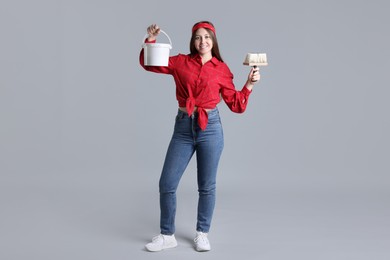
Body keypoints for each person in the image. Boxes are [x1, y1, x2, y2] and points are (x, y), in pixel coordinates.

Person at [139, 21, 261, 252]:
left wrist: (249, 85)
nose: (202, 41)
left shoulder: (221, 69)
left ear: (213, 41)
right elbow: (150, 63)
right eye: (198, 37)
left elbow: (236, 104)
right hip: (183, 127)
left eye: (207, 37)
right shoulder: (180, 62)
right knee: (167, 183)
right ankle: (167, 235)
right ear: (192, 41)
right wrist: (151, 39)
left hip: (211, 128)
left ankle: (202, 233)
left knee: (206, 186)